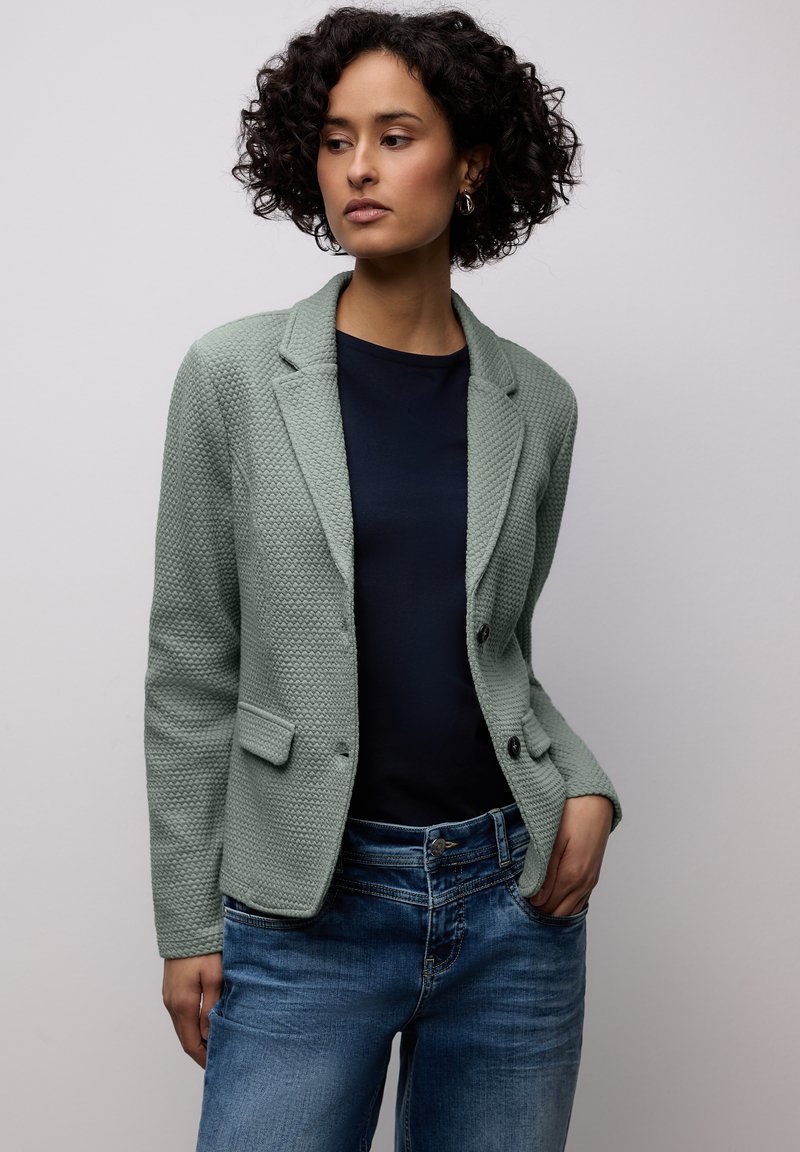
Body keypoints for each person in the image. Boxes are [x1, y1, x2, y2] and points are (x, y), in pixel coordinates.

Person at [143, 8, 623, 1150]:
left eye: (395, 135)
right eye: (333, 137)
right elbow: (190, 663)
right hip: (304, 899)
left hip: (511, 903)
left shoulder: (537, 404)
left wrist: (590, 787)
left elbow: (494, 653)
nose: (356, 167)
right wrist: (184, 921)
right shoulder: (233, 377)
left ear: (471, 162)